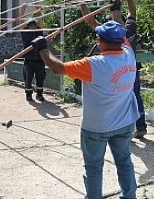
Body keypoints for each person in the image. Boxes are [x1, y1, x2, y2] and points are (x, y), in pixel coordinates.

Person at [31, 20, 139, 199]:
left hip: (97, 127)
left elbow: (58, 68)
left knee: (93, 167)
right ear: (121, 40)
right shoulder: (129, 53)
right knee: (124, 162)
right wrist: (116, 9)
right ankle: (129, 196)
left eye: (98, 37)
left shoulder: (94, 64)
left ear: (100, 41)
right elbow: (119, 26)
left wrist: (43, 48)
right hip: (125, 122)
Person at [80, 0, 148, 139]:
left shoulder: (109, 33)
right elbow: (132, 12)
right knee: (135, 96)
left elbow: (90, 21)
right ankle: (140, 127)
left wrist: (82, 3)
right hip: (131, 69)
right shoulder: (130, 27)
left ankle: (119, 128)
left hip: (113, 70)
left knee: (115, 98)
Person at [19, 6, 46, 102]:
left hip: (40, 59)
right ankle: (28, 95)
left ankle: (39, 95)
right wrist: (23, 9)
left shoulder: (39, 31)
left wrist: (38, 9)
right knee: (28, 79)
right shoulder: (24, 32)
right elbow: (20, 20)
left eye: (34, 25)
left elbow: (40, 19)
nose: (33, 26)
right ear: (27, 26)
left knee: (40, 78)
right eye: (30, 25)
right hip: (29, 60)